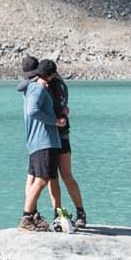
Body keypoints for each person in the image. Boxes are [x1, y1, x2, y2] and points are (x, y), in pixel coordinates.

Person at [17, 56, 63, 231]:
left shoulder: (31, 87)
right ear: (50, 75)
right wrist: (55, 121)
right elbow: (33, 110)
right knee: (43, 180)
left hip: (37, 141)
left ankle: (31, 215)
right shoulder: (38, 89)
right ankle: (27, 217)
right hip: (44, 140)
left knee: (38, 178)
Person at [42, 60, 88, 229]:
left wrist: (61, 113)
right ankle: (60, 213)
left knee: (63, 176)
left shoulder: (54, 85)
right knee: (55, 177)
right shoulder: (54, 84)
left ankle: (78, 212)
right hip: (54, 134)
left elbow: (58, 109)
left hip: (59, 134)